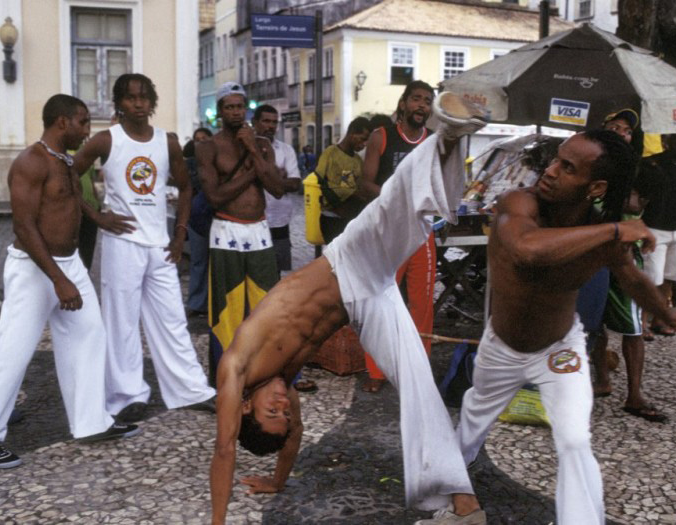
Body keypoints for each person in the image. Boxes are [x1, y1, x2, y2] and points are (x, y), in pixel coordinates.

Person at [210, 92, 489, 525]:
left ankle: (447, 133)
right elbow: (294, 435)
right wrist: (277, 482)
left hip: (348, 265)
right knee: (418, 382)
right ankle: (462, 499)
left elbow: (225, 449)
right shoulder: (280, 385)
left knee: (391, 209)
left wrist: (217, 521)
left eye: (272, 410)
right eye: (284, 412)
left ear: (245, 406)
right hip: (368, 303)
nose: (284, 404)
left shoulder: (236, 367)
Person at [455, 130, 676, 525]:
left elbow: (633, 279)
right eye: (556, 159)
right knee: (473, 417)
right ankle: (451, 483)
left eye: (567, 167)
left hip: (559, 349)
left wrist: (668, 315)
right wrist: (617, 230)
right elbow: (528, 249)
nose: (551, 171)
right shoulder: (518, 203)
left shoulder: (601, 233)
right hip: (501, 347)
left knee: (574, 439)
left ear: (597, 186)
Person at [0, 95, 140, 469]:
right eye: (83, 123)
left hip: (69, 265)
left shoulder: (65, 160)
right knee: (12, 354)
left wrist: (98, 219)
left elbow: (68, 199)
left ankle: (90, 422)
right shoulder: (30, 162)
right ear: (61, 123)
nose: (88, 131)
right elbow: (23, 224)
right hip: (34, 269)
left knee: (89, 335)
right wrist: (58, 279)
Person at [74, 74, 215, 424]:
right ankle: (127, 395)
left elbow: (185, 188)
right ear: (118, 103)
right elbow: (65, 174)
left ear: (152, 102)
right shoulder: (106, 140)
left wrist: (180, 232)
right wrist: (96, 216)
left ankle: (190, 390)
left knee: (172, 319)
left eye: (143, 98)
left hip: (160, 246)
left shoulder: (166, 142)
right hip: (123, 243)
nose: (138, 104)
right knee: (120, 322)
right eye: (130, 98)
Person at [196, 82, 299, 386]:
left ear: (246, 109)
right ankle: (225, 378)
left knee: (266, 304)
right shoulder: (209, 147)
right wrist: (254, 172)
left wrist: (253, 150)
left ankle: (265, 371)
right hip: (225, 230)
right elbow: (215, 197)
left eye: (240, 106)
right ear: (220, 111)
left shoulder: (262, 146)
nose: (236, 112)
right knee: (226, 309)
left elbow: (278, 189)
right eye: (229, 107)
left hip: (260, 232)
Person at [589, 109, 667, 423]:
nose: (621, 132)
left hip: (623, 257)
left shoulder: (640, 169)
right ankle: (602, 379)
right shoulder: (589, 163)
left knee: (633, 328)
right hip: (591, 255)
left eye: (626, 130)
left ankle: (634, 394)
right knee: (594, 326)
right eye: (615, 127)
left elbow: (638, 206)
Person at [359, 79, 436, 393]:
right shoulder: (382, 136)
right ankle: (376, 372)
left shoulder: (433, 141)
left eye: (427, 101)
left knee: (422, 303)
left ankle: (417, 370)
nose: (421, 105)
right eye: (416, 99)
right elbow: (364, 185)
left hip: (421, 231)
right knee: (380, 300)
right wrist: (398, 200)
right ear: (404, 103)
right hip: (388, 229)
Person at [636, 133, 676, 337]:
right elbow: (639, 195)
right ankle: (642, 322)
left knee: (669, 279)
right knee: (651, 278)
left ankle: (660, 320)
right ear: (666, 141)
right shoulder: (651, 164)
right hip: (655, 229)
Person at [251, 104, 302, 277]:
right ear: (255, 122)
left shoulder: (286, 150)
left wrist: (269, 179)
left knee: (275, 272)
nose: (271, 126)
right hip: (252, 221)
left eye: (274, 122)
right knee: (253, 270)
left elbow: (295, 184)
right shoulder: (245, 148)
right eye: (266, 121)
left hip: (279, 221)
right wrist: (279, 177)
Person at [317, 116, 373, 243]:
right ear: (352, 132)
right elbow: (321, 181)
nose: (364, 144)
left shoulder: (358, 161)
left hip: (349, 220)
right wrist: (338, 206)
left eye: (367, 141)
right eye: (362, 139)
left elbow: (355, 186)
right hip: (332, 219)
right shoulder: (330, 153)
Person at [185, 127, 214, 316]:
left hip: (218, 216)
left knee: (218, 263)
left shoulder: (219, 160)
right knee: (199, 261)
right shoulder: (189, 165)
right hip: (197, 218)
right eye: (197, 139)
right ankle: (196, 303)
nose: (201, 142)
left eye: (204, 138)